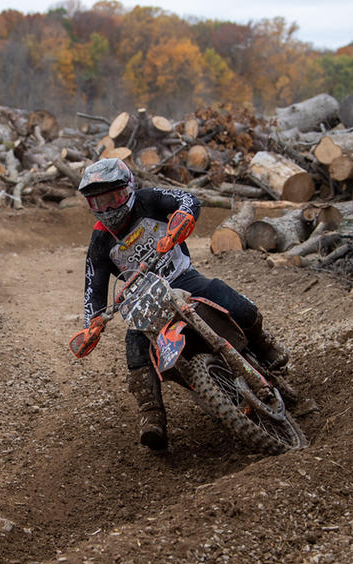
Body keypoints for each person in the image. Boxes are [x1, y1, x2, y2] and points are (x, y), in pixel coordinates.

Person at [72, 157, 287, 451]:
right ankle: (152, 416)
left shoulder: (149, 200)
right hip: (144, 302)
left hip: (181, 277)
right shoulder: (100, 241)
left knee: (225, 296)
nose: (108, 208)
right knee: (135, 347)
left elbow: (187, 198)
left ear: (129, 189)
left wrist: (183, 217)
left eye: (114, 198)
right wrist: (91, 324)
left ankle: (263, 344)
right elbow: (93, 288)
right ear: (90, 205)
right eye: (99, 203)